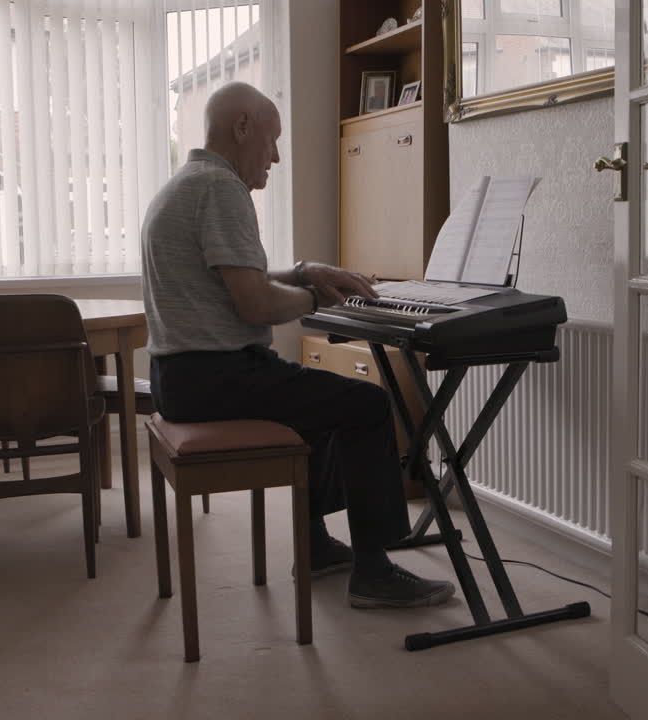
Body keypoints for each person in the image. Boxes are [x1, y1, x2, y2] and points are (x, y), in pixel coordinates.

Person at [141, 81, 455, 609]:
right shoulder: (220, 189)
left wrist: (306, 272)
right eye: (272, 140)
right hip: (213, 377)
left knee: (316, 406)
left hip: (182, 376)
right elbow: (255, 304)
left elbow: (237, 277)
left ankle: (314, 548)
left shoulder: (190, 182)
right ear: (242, 128)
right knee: (368, 405)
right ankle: (375, 570)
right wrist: (315, 298)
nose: (277, 156)